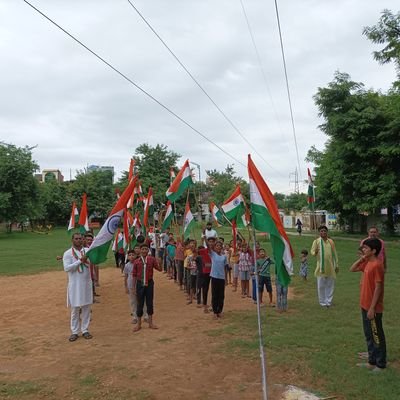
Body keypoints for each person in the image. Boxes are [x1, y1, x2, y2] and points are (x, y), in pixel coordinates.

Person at [350, 238, 386, 372]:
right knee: (368, 334)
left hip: (373, 307)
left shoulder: (377, 265)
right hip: (364, 304)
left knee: (376, 335)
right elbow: (352, 269)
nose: (363, 250)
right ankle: (371, 361)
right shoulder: (367, 263)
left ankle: (380, 364)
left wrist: (372, 308)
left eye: (365, 248)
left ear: (374, 251)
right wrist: (362, 259)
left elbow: (378, 288)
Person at [63, 233, 93, 342]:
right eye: (76, 239)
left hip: (86, 283)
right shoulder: (67, 253)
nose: (79, 240)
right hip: (75, 285)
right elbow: (67, 268)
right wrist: (80, 261)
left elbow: (94, 261)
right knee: (75, 309)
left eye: (80, 238)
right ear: (72, 240)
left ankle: (85, 330)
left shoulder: (88, 251)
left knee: (86, 307)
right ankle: (74, 332)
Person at [132, 244, 162, 332]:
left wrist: (160, 262)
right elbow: (134, 275)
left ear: (148, 250)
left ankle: (150, 323)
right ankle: (139, 324)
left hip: (149, 284)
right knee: (139, 304)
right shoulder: (136, 261)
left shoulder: (152, 259)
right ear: (140, 251)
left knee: (149, 302)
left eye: (146, 249)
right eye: (143, 249)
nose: (144, 251)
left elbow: (159, 269)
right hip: (140, 284)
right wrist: (133, 287)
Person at [311, 225, 339, 308]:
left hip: (330, 267)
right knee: (321, 286)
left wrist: (336, 264)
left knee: (330, 285)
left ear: (327, 232)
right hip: (321, 267)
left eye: (324, 231)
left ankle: (329, 302)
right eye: (321, 231)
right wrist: (315, 252)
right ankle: (322, 302)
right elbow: (312, 252)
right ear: (319, 232)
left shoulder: (331, 241)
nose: (323, 232)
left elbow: (334, 253)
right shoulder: (316, 241)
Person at [210, 240, 228, 319]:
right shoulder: (213, 254)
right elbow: (208, 245)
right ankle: (214, 312)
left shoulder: (224, 256)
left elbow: (225, 268)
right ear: (214, 247)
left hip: (222, 278)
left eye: (219, 246)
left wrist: (226, 279)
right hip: (214, 277)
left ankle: (219, 311)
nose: (218, 247)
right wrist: (204, 235)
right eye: (217, 246)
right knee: (214, 295)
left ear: (221, 247)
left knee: (221, 296)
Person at [198, 237, 214, 313]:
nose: (211, 243)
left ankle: (212, 305)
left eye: (212, 242)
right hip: (206, 272)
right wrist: (202, 240)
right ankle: (205, 305)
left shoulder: (216, 251)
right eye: (209, 242)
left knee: (214, 289)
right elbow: (196, 251)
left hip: (214, 272)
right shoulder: (203, 251)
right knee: (205, 289)